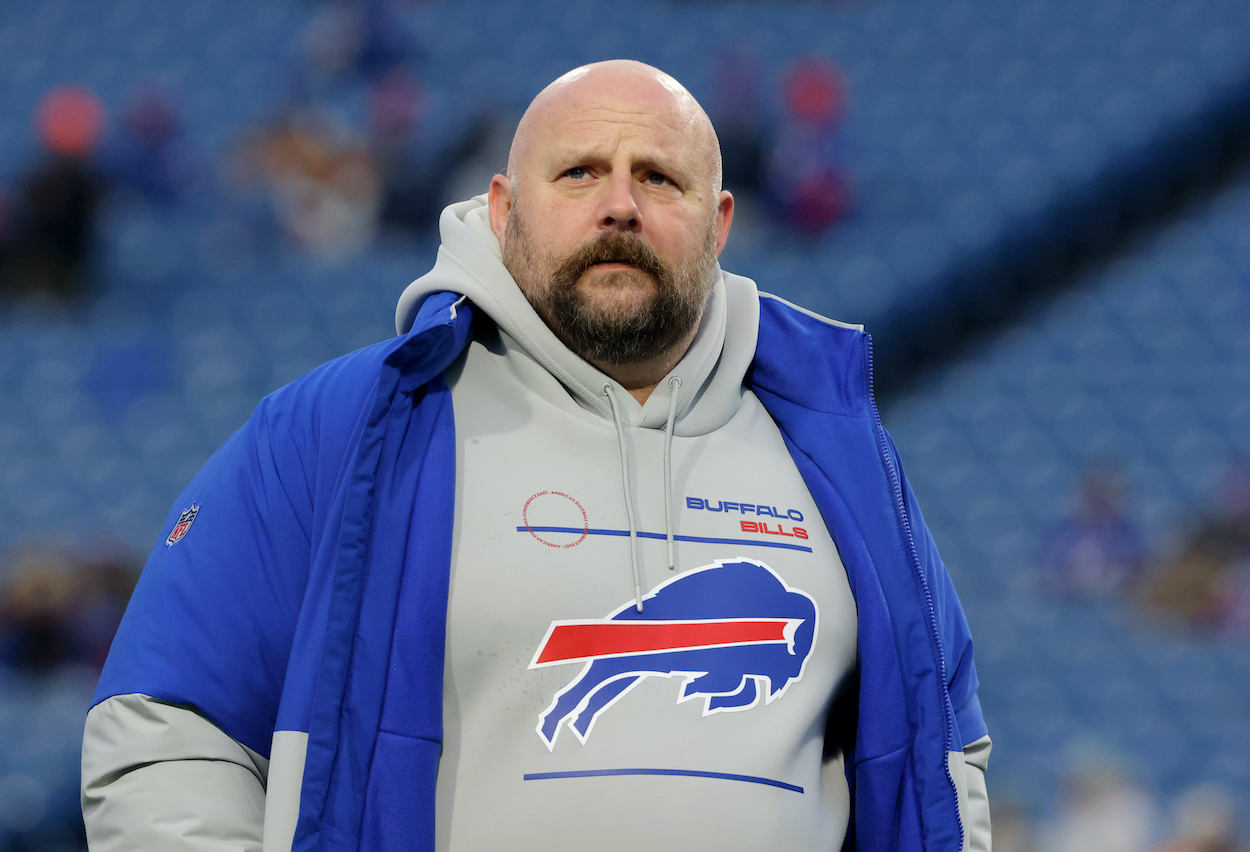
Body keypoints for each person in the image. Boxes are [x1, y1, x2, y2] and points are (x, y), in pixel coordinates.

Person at [81, 61, 990, 852]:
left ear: (719, 225)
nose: (620, 205)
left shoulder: (844, 462)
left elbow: (947, 757)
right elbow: (165, 723)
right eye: (580, 172)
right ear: (505, 210)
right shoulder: (343, 430)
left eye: (659, 179)